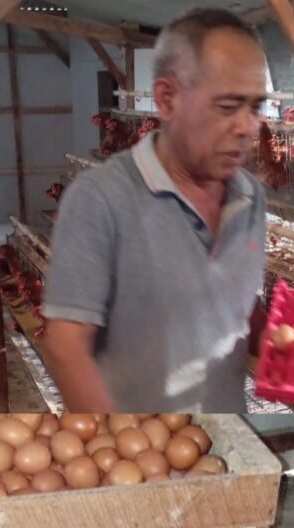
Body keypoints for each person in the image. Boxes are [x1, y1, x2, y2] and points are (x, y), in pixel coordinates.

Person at [41, 8, 269, 412]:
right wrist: (123, 450)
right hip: (143, 451)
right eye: (228, 106)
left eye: (255, 107)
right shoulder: (100, 198)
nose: (248, 127)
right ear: (167, 99)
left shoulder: (250, 197)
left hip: (230, 441)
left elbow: (240, 310)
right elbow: (65, 348)